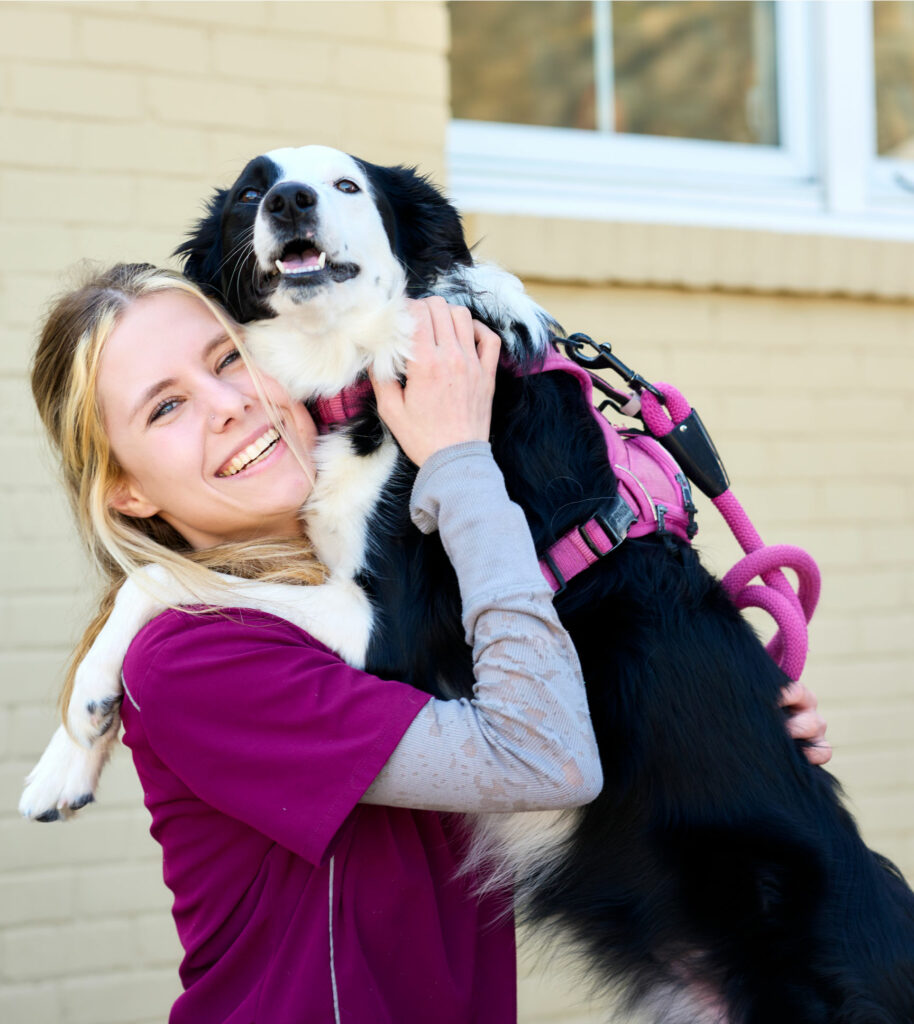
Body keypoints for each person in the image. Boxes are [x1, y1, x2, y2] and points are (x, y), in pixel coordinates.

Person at [29, 263, 830, 1024]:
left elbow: (549, 725)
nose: (228, 404)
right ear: (125, 490)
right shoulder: (197, 659)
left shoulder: (392, 604)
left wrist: (708, 739)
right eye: (164, 408)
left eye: (230, 360)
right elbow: (541, 757)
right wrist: (458, 461)